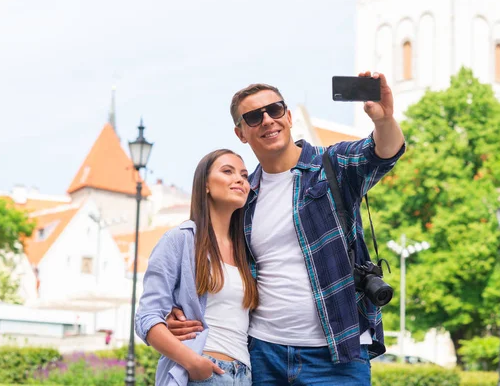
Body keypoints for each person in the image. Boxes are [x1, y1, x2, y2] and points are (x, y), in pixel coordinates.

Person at [168, 71, 405, 385]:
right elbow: (217, 265)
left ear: (289, 116)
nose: (267, 120)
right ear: (241, 133)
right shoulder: (243, 197)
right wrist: (178, 312)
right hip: (265, 353)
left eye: (275, 110)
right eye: (253, 117)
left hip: (336, 354)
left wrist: (384, 120)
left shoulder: (331, 165)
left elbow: (382, 153)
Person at [135, 149, 258, 386]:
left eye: (244, 175)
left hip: (244, 375)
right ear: (205, 185)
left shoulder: (247, 251)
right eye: (227, 171)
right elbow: (147, 317)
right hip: (203, 372)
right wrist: (193, 363)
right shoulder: (180, 240)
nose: (240, 179)